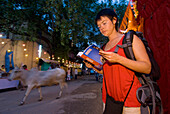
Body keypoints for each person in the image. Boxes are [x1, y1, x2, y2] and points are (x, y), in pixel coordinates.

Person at [84, 8, 151, 114]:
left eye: (104, 23)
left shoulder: (130, 40)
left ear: (114, 20)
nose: (101, 28)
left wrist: (119, 59)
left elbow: (147, 67)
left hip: (131, 100)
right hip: (109, 100)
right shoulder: (103, 47)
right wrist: (93, 67)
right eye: (99, 26)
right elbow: (107, 72)